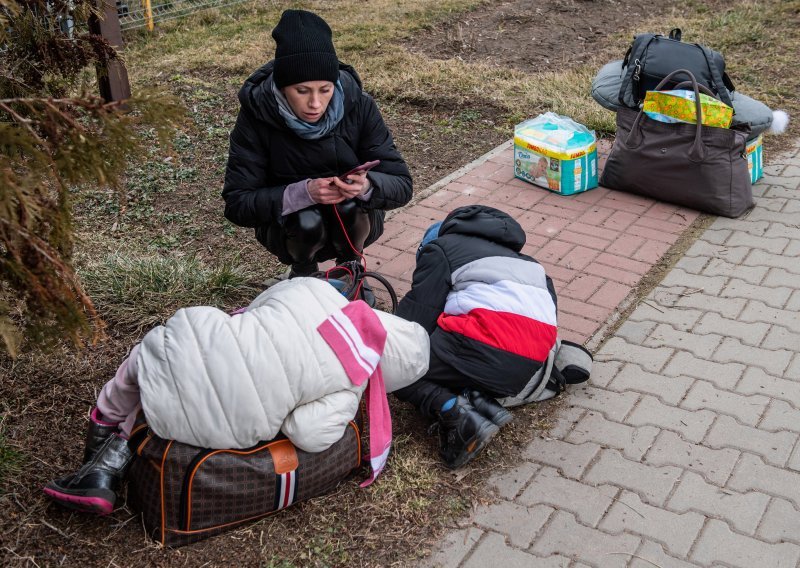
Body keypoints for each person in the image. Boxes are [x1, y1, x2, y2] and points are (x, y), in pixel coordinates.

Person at [43, 278, 430, 515]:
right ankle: (106, 468)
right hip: (228, 422)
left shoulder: (320, 294)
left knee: (157, 353)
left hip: (213, 349)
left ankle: (102, 438)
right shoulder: (351, 383)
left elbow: (264, 302)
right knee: (180, 384)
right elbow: (308, 433)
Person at [222, 9, 412, 299]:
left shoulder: (359, 105)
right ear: (282, 87)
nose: (315, 103)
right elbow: (237, 203)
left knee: (350, 207)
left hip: (355, 221)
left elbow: (402, 184)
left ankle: (351, 270)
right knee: (306, 219)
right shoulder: (255, 117)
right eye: (302, 90)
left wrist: (366, 186)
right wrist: (302, 194)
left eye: (325, 90)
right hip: (288, 229)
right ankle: (303, 273)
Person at [395, 205, 591, 469]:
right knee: (455, 355)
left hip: (482, 348)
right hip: (522, 372)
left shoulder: (440, 248)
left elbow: (415, 319)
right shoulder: (534, 267)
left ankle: (455, 412)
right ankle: (480, 401)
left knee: (396, 363)